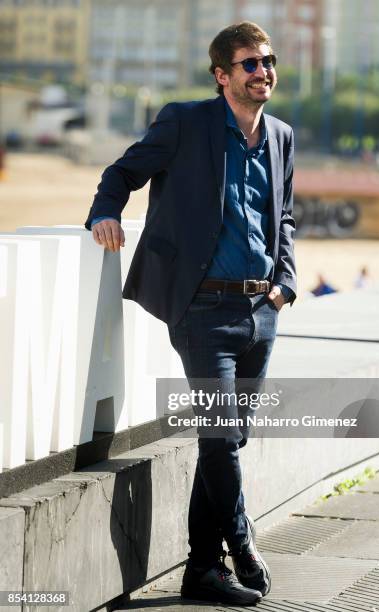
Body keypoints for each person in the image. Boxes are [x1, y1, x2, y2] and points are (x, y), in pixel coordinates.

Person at [85, 21, 296, 606]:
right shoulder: (186, 121)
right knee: (221, 438)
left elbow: (283, 219)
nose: (263, 71)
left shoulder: (279, 134)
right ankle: (241, 539)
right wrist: (104, 214)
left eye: (268, 61)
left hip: (261, 308)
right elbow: (122, 172)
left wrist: (286, 284)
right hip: (201, 307)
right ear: (222, 75)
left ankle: (202, 569)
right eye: (250, 64)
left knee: (226, 440)